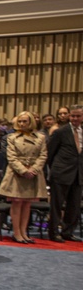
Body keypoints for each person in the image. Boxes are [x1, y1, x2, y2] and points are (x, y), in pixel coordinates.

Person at [0, 112, 47, 243]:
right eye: (20, 121)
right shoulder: (12, 137)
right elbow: (11, 157)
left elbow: (43, 156)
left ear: (31, 122)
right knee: (17, 202)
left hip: (33, 173)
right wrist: (23, 170)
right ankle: (17, 232)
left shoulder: (40, 137)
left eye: (25, 121)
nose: (22, 124)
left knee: (27, 203)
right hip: (16, 173)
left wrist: (33, 169)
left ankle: (24, 232)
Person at [45, 104, 83, 242]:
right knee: (57, 205)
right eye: (72, 116)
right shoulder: (61, 132)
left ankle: (68, 232)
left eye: (78, 116)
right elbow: (50, 153)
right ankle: (54, 232)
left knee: (74, 205)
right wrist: (55, 170)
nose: (75, 118)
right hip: (61, 173)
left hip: (78, 174)